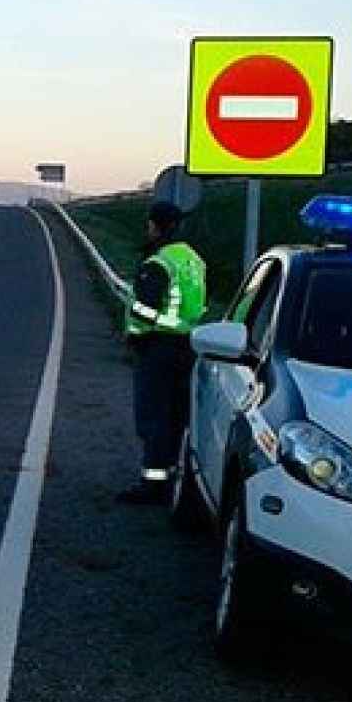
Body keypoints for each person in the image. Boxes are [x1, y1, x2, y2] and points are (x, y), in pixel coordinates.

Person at [117, 201, 206, 504]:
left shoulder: (159, 263)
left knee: (153, 417)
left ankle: (153, 483)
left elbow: (144, 311)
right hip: (188, 346)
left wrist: (134, 330)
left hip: (159, 348)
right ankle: (173, 477)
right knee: (177, 416)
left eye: (150, 224)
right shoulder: (193, 259)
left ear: (156, 225)